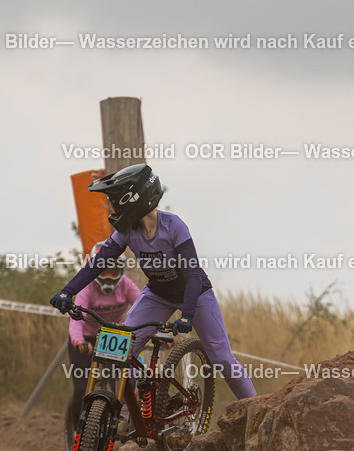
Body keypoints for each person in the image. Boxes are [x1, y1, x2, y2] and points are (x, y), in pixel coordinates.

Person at [51, 163, 257, 405]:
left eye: (115, 202)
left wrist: (187, 314)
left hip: (195, 294)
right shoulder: (127, 231)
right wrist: (67, 291)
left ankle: (257, 409)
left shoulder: (173, 226)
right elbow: (97, 263)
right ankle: (128, 416)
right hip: (158, 294)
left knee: (222, 359)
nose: (112, 208)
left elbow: (192, 273)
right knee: (121, 353)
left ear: (132, 200)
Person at [66, 242, 140, 424]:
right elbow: (76, 317)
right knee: (81, 389)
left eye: (113, 271)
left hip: (113, 338)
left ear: (121, 270)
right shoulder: (87, 287)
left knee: (121, 387)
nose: (107, 277)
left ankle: (117, 423)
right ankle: (78, 431)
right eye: (103, 270)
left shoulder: (126, 285)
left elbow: (142, 307)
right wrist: (77, 340)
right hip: (86, 340)